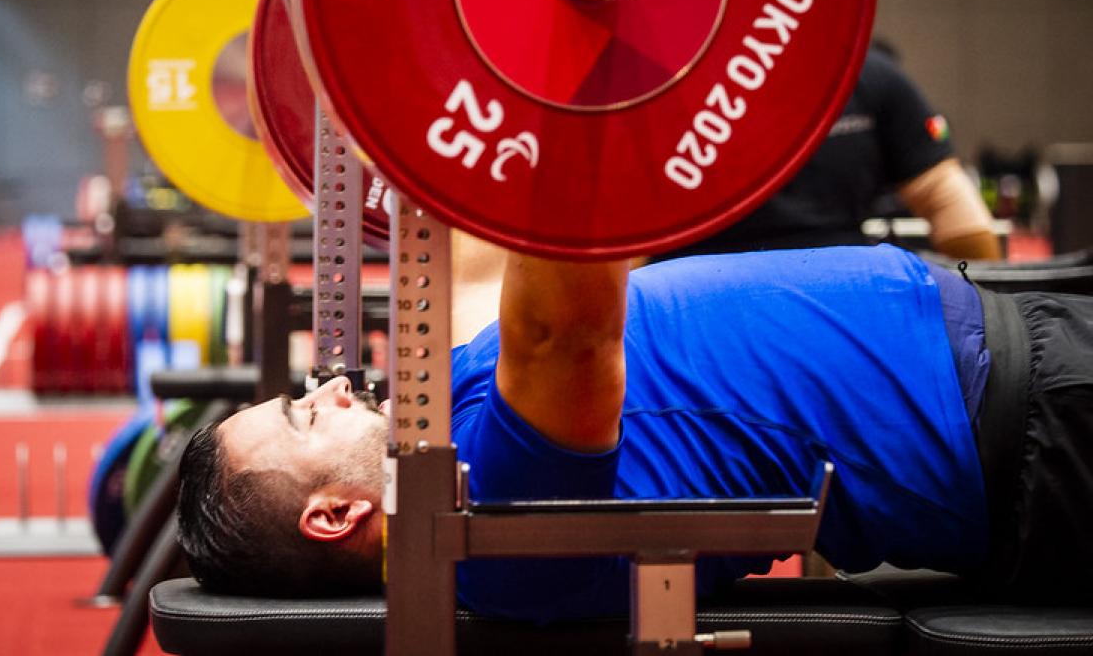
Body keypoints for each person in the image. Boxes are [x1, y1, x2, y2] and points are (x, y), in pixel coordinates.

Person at [177, 237, 1093, 623]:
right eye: (304, 413)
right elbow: (565, 326)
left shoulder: (448, 432)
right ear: (334, 515)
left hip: (1009, 339)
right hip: (1041, 421)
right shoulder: (480, 526)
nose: (333, 384)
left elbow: (481, 245)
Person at [659, 45, 1002, 261]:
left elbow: (943, 194)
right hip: (699, 292)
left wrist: (986, 307)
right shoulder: (663, 87)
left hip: (836, 289)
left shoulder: (869, 74)